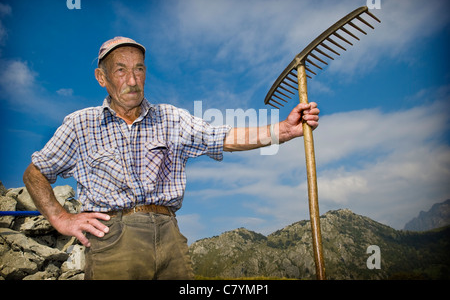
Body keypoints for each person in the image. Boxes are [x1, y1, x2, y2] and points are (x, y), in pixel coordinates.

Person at [22, 36, 320, 280]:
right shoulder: (80, 124)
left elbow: (222, 137)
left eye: (139, 69)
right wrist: (61, 218)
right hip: (114, 239)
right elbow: (36, 173)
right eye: (120, 70)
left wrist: (282, 130)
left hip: (169, 235)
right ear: (102, 78)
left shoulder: (171, 119)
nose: (132, 79)